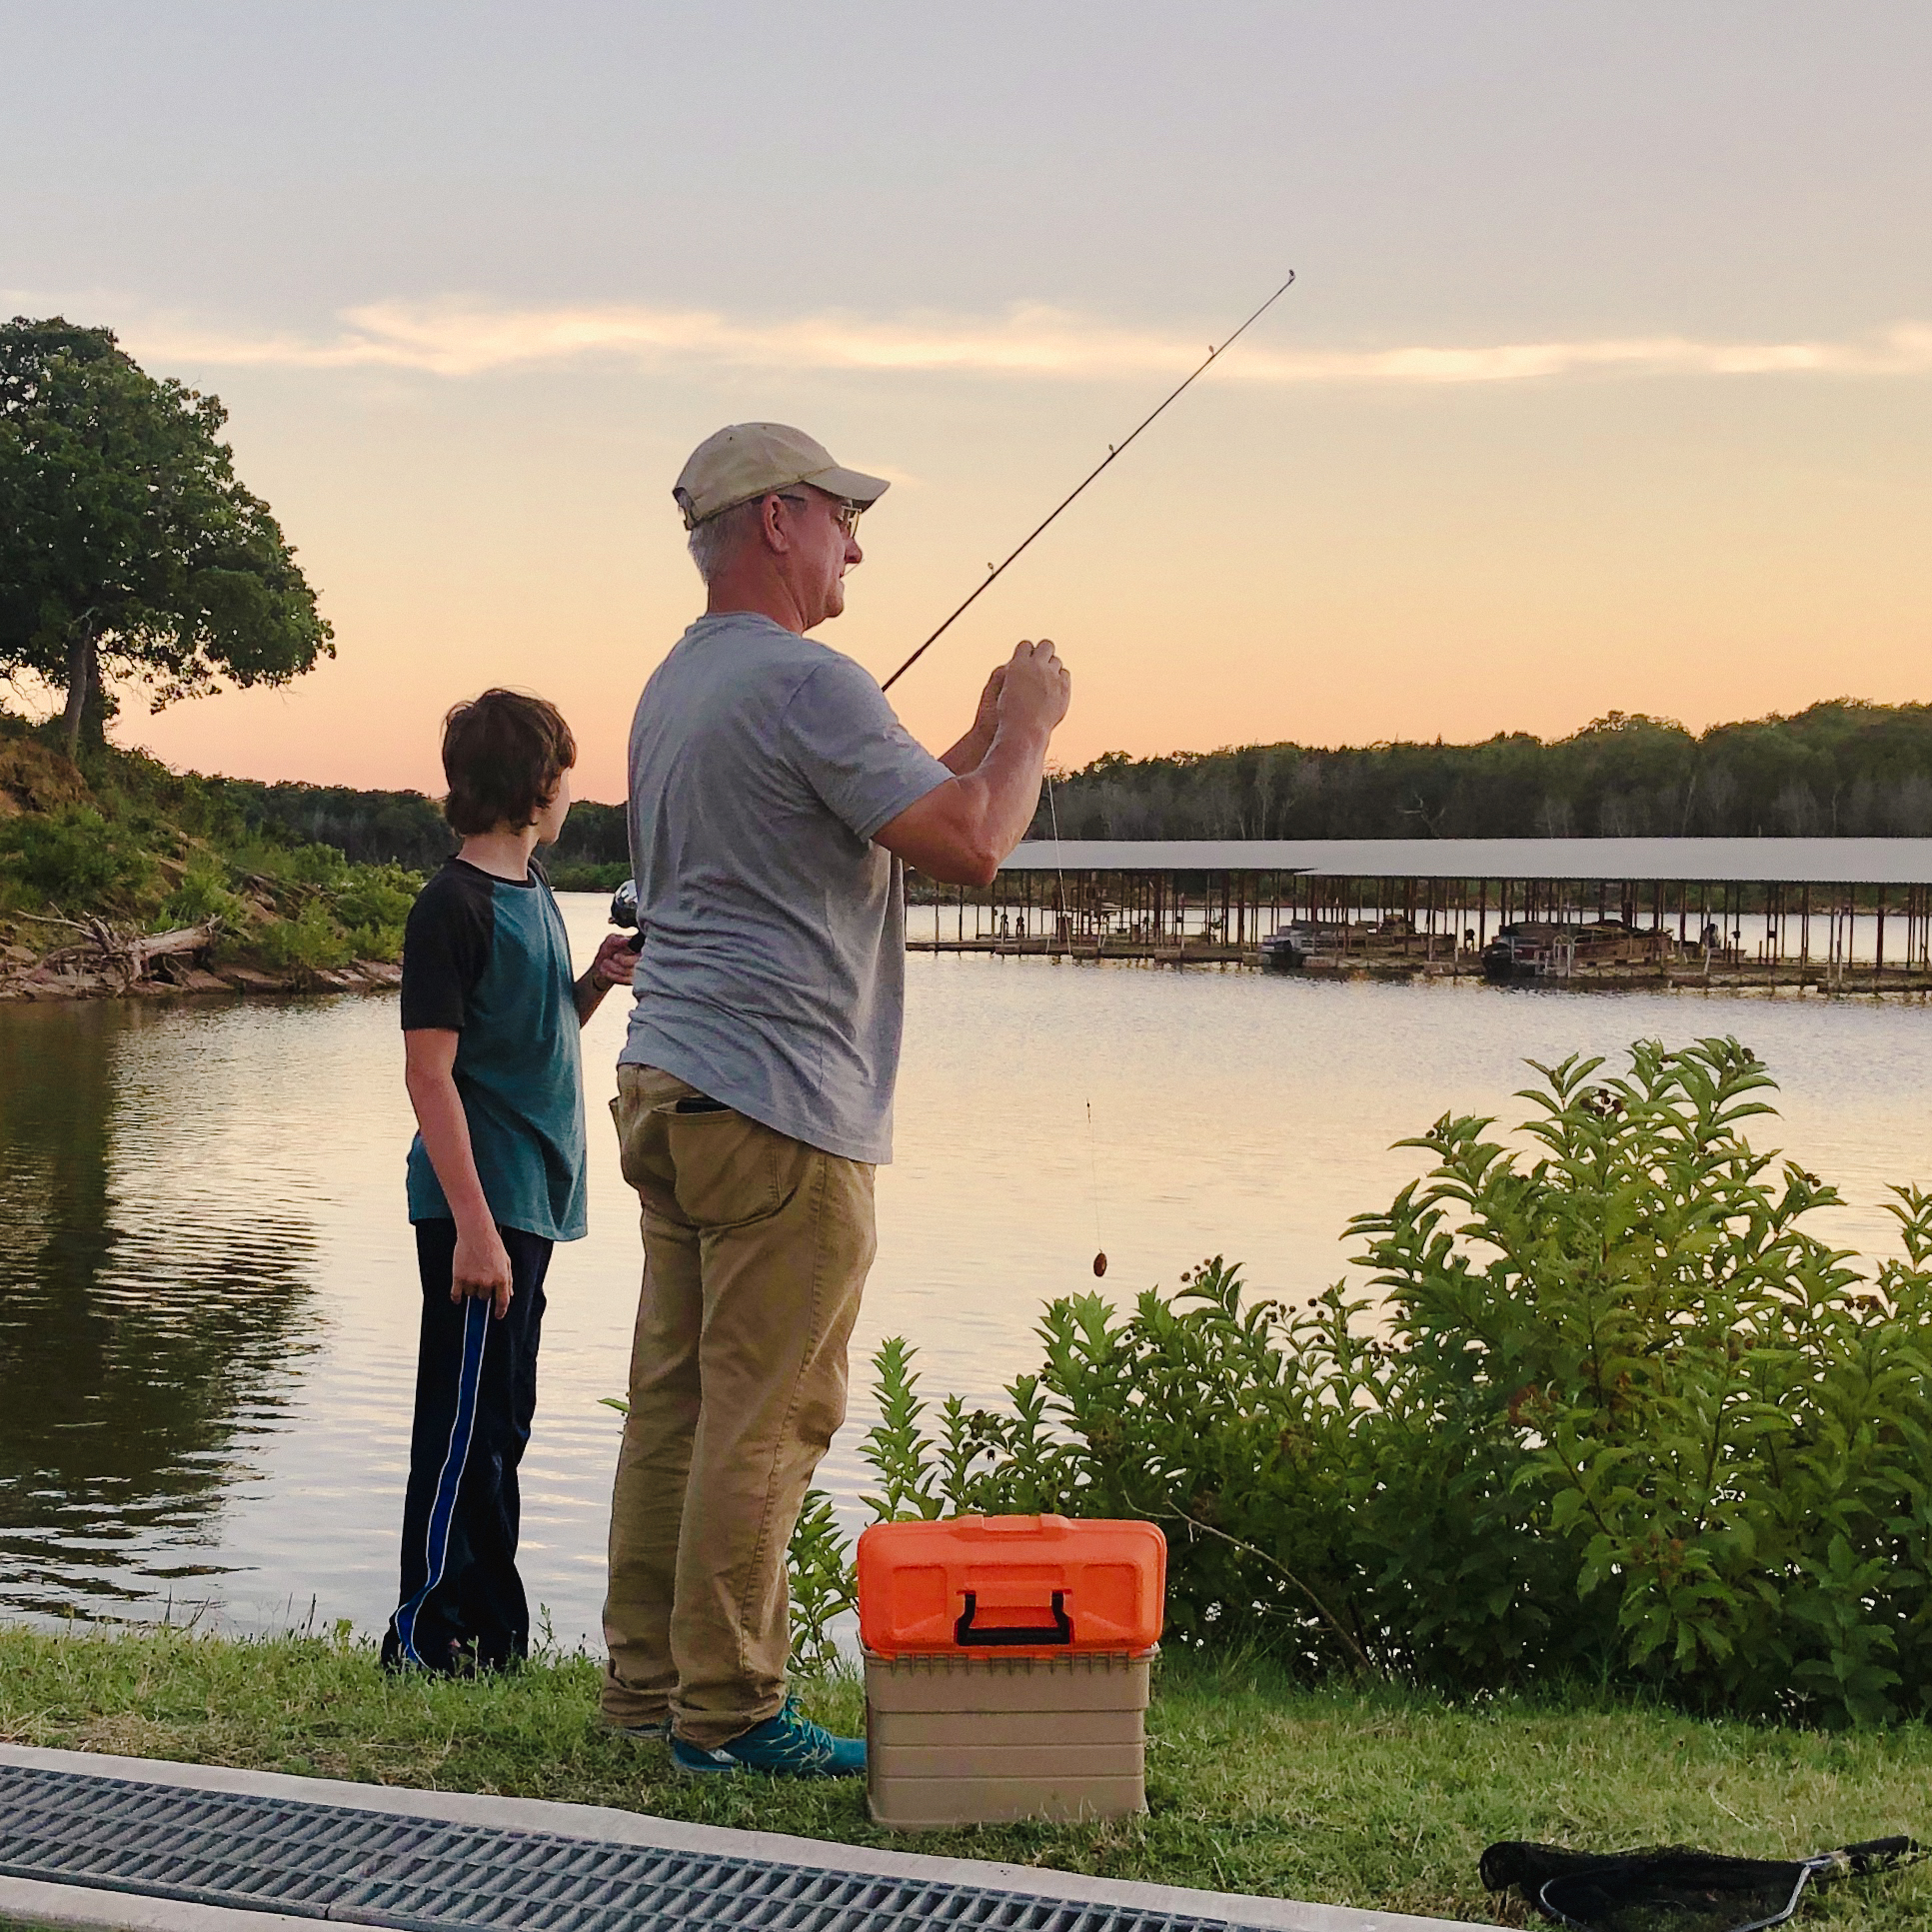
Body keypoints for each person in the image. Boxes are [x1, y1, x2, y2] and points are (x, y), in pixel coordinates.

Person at [602, 423, 1070, 1775]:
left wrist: (980, 732)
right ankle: (732, 1713)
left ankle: (648, 1697)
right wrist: (1033, 726)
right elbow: (977, 841)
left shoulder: (679, 683)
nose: (859, 543)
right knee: (770, 1413)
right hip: (780, 1106)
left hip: (669, 1081)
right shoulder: (809, 680)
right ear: (776, 520)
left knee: (679, 1405)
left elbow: (895, 798)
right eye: (843, 518)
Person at [382, 689, 635, 1676]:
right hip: (473, 1214)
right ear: (537, 784)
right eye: (565, 771)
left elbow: (528, 1042)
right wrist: (475, 1233)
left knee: (503, 1425)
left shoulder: (534, 894)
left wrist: (598, 980)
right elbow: (428, 1073)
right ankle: (422, 1637)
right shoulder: (449, 905)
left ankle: (490, 1640)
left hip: (527, 1206)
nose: (573, 790)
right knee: (459, 1430)